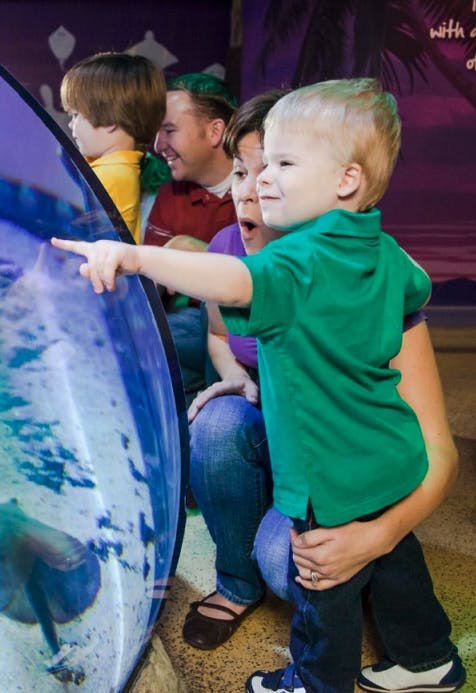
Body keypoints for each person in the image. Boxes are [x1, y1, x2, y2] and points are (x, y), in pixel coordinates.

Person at [51, 78, 466, 693]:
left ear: (345, 180)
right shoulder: (382, 251)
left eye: (284, 164)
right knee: (396, 561)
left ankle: (315, 681)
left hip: (328, 472)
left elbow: (233, 280)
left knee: (323, 582)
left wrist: (135, 257)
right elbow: (416, 285)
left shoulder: (299, 262)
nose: (264, 179)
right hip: (388, 452)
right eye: (260, 164)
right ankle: (429, 657)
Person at [181, 90, 460, 669]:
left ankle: (326, 664)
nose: (253, 187)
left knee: (298, 566)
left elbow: (436, 448)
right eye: (241, 171)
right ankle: (234, 582)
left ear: (338, 182)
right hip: (273, 430)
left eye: (279, 167)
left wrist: (375, 536)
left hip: (329, 453)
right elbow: (216, 334)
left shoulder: (362, 268)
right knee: (216, 423)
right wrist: (235, 376)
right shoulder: (225, 252)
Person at [144, 72, 239, 403]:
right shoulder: (171, 196)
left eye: (169, 130)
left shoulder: (260, 192)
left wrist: (200, 256)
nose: (158, 145)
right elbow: (151, 289)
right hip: (184, 334)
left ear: (215, 131)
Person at [59, 52, 165, 243]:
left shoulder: (111, 174)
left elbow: (100, 241)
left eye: (76, 115)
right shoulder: (128, 164)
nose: (71, 124)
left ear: (110, 121)